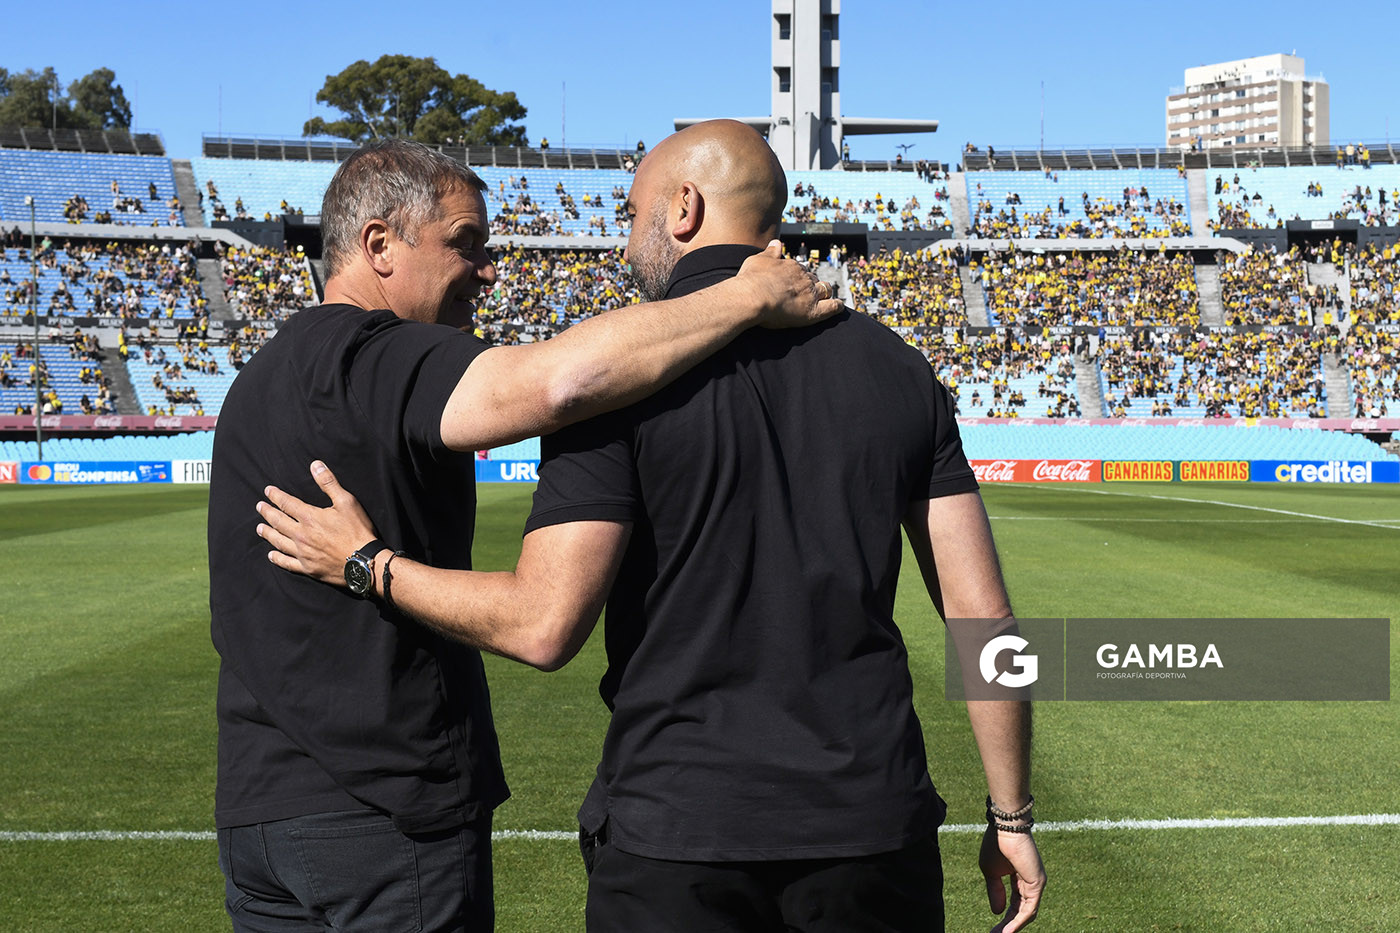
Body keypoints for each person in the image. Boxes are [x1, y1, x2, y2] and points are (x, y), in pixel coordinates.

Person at [256, 121, 1043, 932]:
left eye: (633, 215)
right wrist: (1012, 813)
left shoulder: (620, 375)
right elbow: (986, 620)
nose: (625, 242)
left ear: (683, 208)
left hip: (678, 828)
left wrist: (368, 564)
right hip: (873, 828)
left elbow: (545, 620)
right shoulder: (900, 368)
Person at [207, 137, 840, 932]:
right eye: (465, 244)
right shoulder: (378, 354)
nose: (488, 270)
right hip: (384, 810)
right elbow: (558, 382)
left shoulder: (258, 379)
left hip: (259, 813)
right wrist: (745, 298)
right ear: (378, 246)